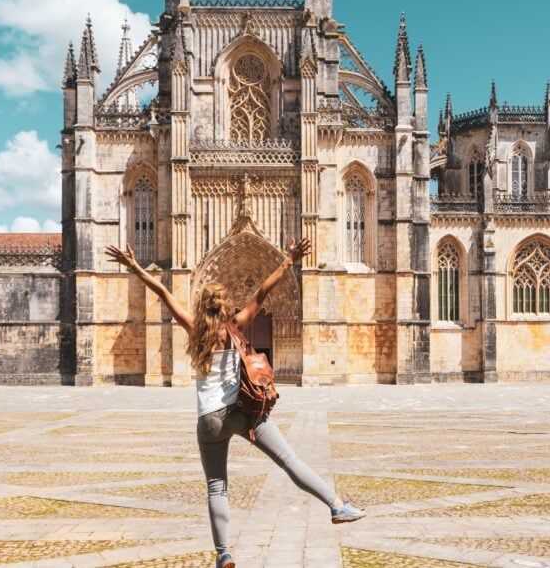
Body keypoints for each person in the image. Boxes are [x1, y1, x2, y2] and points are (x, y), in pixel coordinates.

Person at [104, 239, 364, 568]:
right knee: (289, 459)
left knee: (216, 485)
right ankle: (336, 504)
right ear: (226, 306)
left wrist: (134, 266)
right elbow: (264, 292)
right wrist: (289, 260)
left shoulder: (195, 329)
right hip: (244, 411)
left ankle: (223, 553)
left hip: (209, 418)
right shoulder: (235, 328)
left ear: (202, 306)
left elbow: (162, 292)